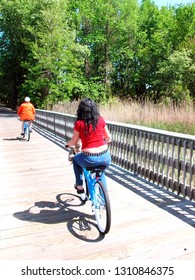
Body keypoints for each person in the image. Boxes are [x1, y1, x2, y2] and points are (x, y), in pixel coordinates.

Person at [65, 98, 112, 201]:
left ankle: (79, 186)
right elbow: (109, 138)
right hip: (105, 157)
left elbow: (73, 141)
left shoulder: (79, 123)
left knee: (76, 160)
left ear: (80, 110)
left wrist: (67, 145)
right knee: (101, 172)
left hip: (89, 158)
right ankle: (104, 200)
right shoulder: (100, 119)